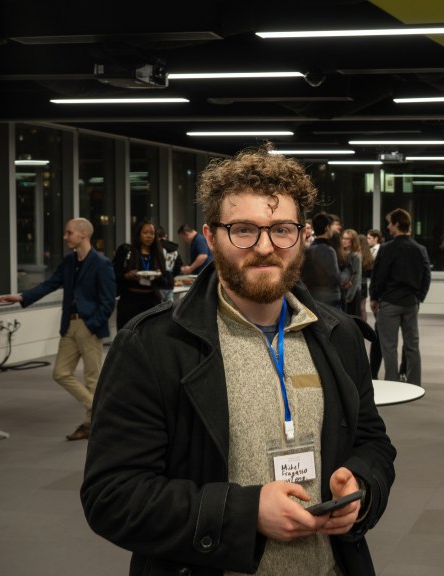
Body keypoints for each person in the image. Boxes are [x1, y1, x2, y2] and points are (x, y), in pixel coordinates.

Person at [81, 147, 396, 576]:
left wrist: (362, 486)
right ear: (211, 237)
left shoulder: (338, 335)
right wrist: (244, 514)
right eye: (243, 230)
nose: (265, 247)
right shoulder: (153, 346)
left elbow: (374, 443)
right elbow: (112, 495)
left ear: (302, 235)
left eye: (281, 230)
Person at [0, 218, 116, 441]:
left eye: (69, 233)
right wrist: (22, 297)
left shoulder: (102, 263)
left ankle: (90, 424)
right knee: (60, 372)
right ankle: (97, 408)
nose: (65, 237)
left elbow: (108, 301)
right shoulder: (69, 262)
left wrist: (92, 323)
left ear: (83, 234)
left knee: (93, 378)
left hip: (89, 325)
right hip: (69, 325)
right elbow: (49, 284)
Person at [370, 208, 431, 386]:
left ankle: (392, 383)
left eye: (390, 223)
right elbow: (426, 276)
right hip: (411, 302)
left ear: (397, 224)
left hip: (389, 302)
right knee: (412, 345)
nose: (388, 227)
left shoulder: (387, 249)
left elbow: (378, 276)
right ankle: (414, 383)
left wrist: (375, 297)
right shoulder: (420, 249)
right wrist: (419, 297)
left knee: (389, 346)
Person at [112, 220, 172, 329]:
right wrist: (126, 276)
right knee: (128, 334)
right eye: (145, 233)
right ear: (138, 234)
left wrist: (158, 277)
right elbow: (114, 275)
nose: (149, 236)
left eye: (152, 233)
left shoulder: (158, 254)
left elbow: (167, 283)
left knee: (150, 335)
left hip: (151, 301)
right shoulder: (127, 252)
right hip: (129, 302)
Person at [301, 213, 342, 308]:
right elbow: (334, 277)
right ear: (327, 228)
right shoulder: (328, 250)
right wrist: (347, 273)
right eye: (331, 226)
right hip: (329, 299)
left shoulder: (309, 249)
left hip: (313, 297)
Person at [365, 229, 383, 376]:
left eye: (370, 238)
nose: (368, 240)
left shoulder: (379, 251)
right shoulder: (370, 251)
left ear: (376, 239)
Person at [156, 225, 184, 301]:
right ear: (165, 236)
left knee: (158, 307)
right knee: (169, 306)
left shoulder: (157, 248)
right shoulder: (174, 249)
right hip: (170, 283)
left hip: (158, 282)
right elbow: (179, 267)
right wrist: (171, 275)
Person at [341, 229, 364, 317]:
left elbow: (356, 277)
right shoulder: (343, 253)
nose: (344, 240)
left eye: (347, 239)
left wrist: (349, 296)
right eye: (343, 238)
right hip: (344, 290)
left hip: (352, 292)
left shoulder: (355, 256)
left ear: (353, 241)